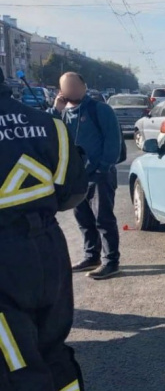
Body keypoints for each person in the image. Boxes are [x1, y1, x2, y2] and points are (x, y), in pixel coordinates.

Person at [0, 67, 88, 390]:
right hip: (48, 251)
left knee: (17, 364)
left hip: (3, 263)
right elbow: (75, 191)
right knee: (53, 349)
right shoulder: (49, 125)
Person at [50, 72, 123, 280]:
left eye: (75, 85)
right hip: (76, 177)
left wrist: (103, 167)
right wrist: (56, 110)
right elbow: (48, 130)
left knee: (103, 219)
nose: (71, 90)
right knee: (83, 219)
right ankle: (91, 257)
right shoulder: (62, 113)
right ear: (61, 91)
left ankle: (111, 262)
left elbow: (113, 141)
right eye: (67, 87)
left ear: (84, 86)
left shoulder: (100, 109)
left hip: (100, 175)